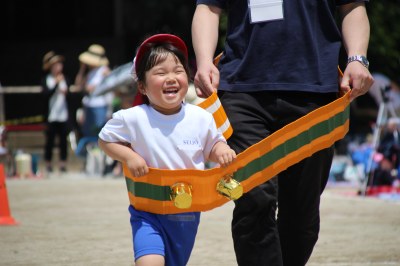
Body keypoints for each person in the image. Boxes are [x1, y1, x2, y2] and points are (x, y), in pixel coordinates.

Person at [192, 1, 374, 265]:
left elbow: (351, 6)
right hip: (242, 90)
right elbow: (208, 7)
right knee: (254, 198)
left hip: (315, 94)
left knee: (301, 213)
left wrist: (357, 58)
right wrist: (204, 61)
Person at [98, 34, 236, 266]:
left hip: (187, 214)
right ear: (142, 85)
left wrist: (221, 149)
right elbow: (105, 140)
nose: (171, 78)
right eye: (160, 73)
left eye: (178, 70)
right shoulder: (133, 118)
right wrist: (129, 156)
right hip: (147, 212)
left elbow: (211, 144)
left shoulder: (200, 117)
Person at [74, 44, 112, 153]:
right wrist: (82, 68)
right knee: (88, 133)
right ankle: (91, 158)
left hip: (100, 106)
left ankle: (100, 159)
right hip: (88, 105)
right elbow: (78, 85)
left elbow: (110, 88)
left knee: (99, 133)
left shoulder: (104, 70)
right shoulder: (90, 72)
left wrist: (109, 110)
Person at [41, 51, 71, 173]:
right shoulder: (46, 79)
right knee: (50, 141)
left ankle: (62, 164)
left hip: (63, 115)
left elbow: (68, 95)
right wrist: (56, 84)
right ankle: (48, 163)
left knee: (63, 141)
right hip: (51, 116)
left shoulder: (65, 79)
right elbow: (46, 95)